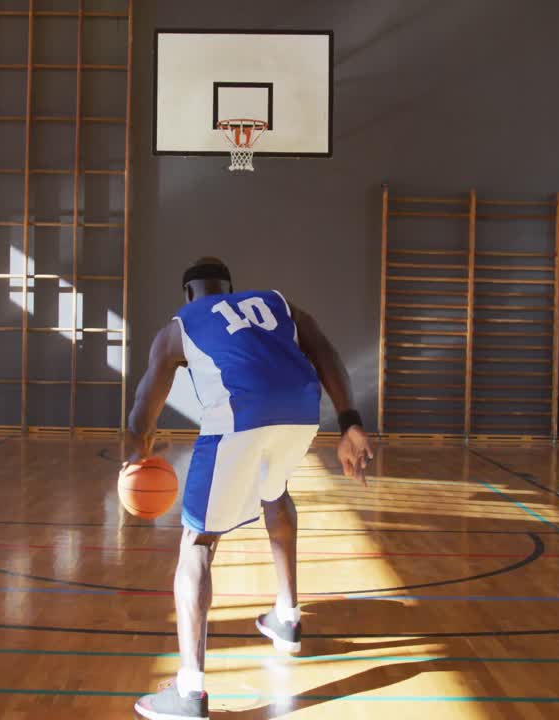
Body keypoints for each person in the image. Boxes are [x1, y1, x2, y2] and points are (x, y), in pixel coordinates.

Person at [125, 257, 374, 720]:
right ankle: (287, 617)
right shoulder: (277, 303)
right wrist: (350, 424)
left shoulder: (180, 324)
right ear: (231, 288)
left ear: (189, 295)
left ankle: (189, 691)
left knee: (197, 542)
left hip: (239, 416)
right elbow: (325, 351)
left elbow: (145, 403)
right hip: (302, 410)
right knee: (274, 492)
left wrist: (135, 452)